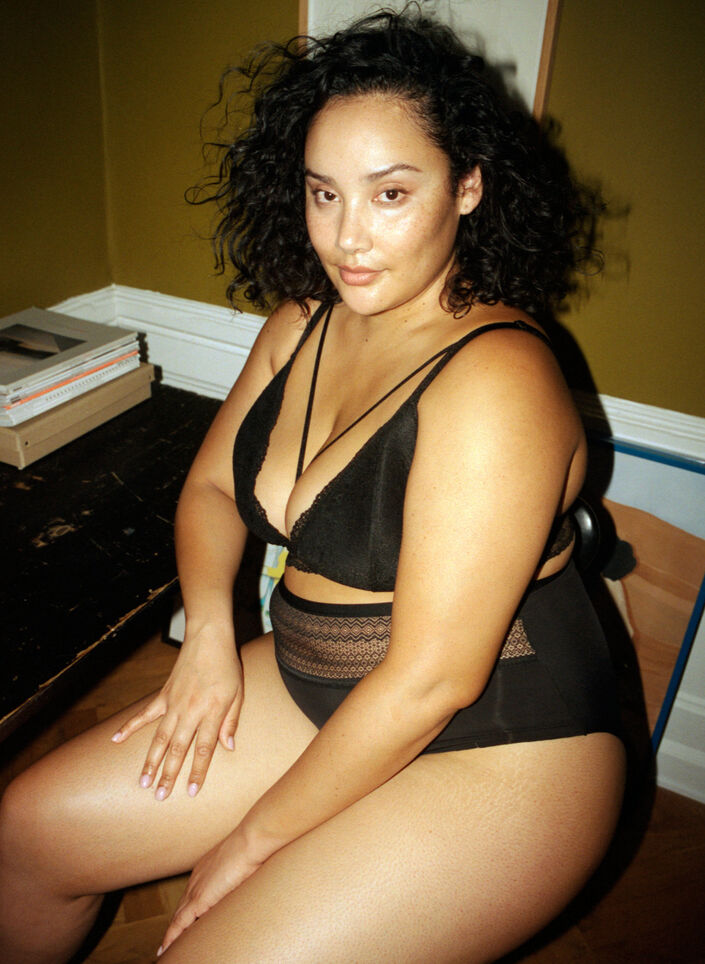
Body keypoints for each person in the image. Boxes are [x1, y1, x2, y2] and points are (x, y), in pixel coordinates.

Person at [0, 11, 625, 963]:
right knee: (27, 834)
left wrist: (251, 842)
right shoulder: (302, 321)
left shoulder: (498, 380)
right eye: (322, 193)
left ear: (467, 187)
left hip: (497, 736)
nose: (347, 238)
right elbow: (212, 491)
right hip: (314, 674)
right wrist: (209, 639)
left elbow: (431, 681)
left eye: (390, 194)